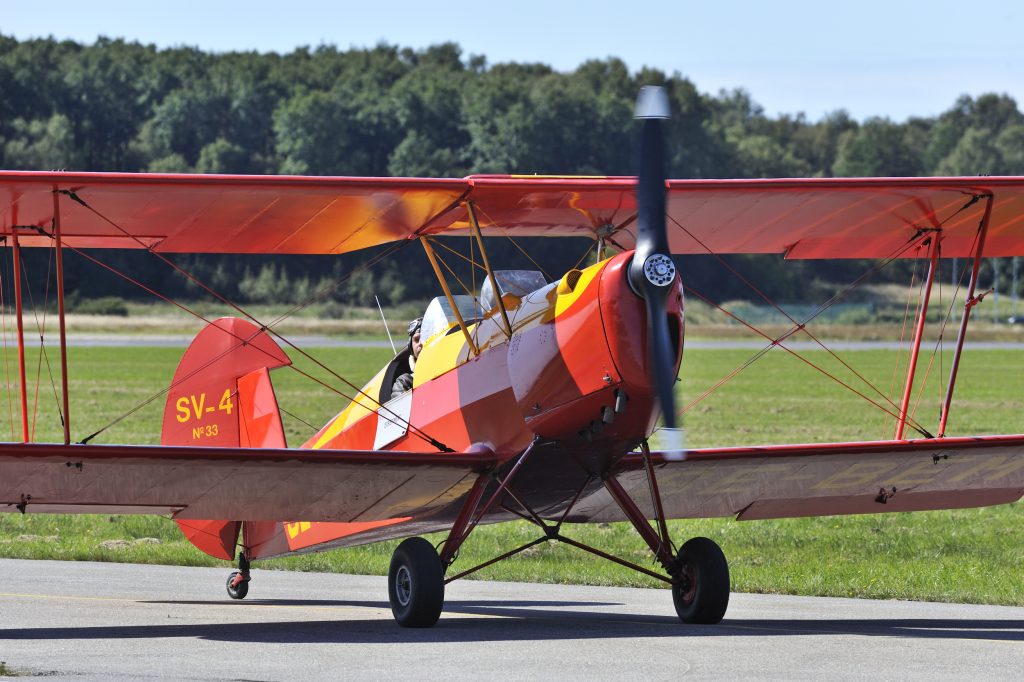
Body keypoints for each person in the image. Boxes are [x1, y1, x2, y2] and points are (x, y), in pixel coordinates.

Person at [391, 317, 422, 396]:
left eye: (425, 338)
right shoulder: (405, 382)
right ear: (411, 347)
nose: (420, 343)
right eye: (417, 340)